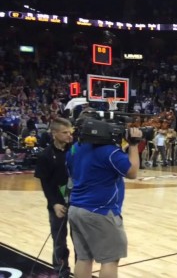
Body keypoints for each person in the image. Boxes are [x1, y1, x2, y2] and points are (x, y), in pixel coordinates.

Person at [67, 118, 142, 278]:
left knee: (84, 258)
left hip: (76, 208)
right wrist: (134, 145)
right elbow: (132, 172)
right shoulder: (109, 152)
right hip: (99, 211)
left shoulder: (76, 148)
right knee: (110, 260)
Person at [34, 118, 74, 277]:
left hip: (78, 203)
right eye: (64, 132)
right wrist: (54, 204)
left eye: (70, 132)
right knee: (59, 243)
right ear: (54, 133)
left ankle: (81, 271)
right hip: (58, 205)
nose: (68, 135)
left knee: (80, 242)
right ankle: (61, 271)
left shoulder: (75, 150)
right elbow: (45, 184)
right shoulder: (46, 155)